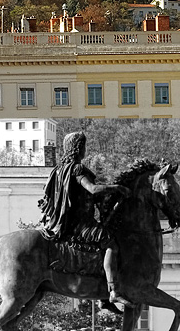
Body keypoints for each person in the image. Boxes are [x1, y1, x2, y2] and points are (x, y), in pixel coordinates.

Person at [39, 131, 132, 307]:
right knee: (111, 243)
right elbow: (92, 189)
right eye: (83, 146)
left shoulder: (58, 170)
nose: (84, 150)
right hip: (81, 225)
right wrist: (117, 188)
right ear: (78, 148)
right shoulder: (77, 169)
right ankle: (112, 291)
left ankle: (104, 297)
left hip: (63, 223)